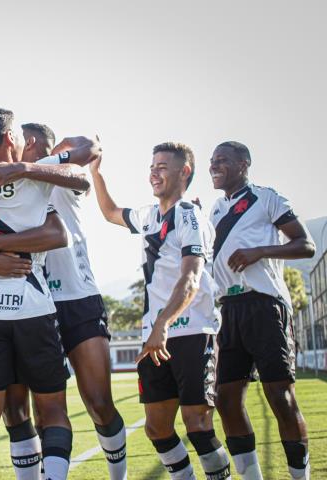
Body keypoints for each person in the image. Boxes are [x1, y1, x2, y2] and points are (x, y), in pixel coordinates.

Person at [0, 108, 100, 480]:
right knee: (53, 411)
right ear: (12, 138)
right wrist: (27, 168)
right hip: (34, 310)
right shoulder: (37, 176)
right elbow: (85, 161)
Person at [0, 122, 127, 479]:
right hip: (32, 304)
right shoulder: (10, 185)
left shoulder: (58, 171)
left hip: (78, 298)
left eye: (17, 141)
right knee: (37, 407)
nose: (11, 148)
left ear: (29, 143)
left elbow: (91, 145)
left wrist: (32, 164)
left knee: (98, 403)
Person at [90, 142, 231, 479]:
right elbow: (111, 213)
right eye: (152, 166)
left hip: (192, 331)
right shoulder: (148, 216)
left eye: (162, 166)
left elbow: (192, 276)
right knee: (157, 428)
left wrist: (163, 323)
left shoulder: (189, 215)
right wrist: (95, 173)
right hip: (156, 337)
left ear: (184, 172)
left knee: (197, 425)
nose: (154, 172)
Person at [208, 141, 315, 480]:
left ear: (244, 163)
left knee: (279, 397)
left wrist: (260, 251)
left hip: (265, 305)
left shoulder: (267, 198)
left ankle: (301, 475)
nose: (214, 165)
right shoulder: (213, 210)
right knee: (225, 400)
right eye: (212, 161)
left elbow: (305, 244)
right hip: (228, 311)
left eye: (222, 160)